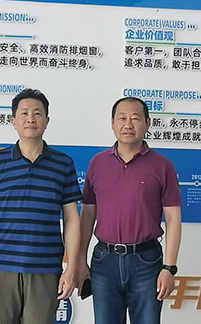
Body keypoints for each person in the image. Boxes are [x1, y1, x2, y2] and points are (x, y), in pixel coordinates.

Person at [0, 88, 82, 324]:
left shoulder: (63, 164)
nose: (30, 119)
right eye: (24, 113)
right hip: (1, 269)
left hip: (45, 268)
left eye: (37, 113)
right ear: (13, 121)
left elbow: (72, 218)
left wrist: (71, 267)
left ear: (47, 121)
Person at [77, 97, 182, 324]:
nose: (128, 124)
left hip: (147, 263)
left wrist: (169, 267)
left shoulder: (162, 166)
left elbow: (173, 219)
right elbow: (87, 215)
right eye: (122, 118)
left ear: (147, 123)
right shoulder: (97, 163)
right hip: (104, 262)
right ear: (112, 123)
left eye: (135, 118)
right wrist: (80, 260)